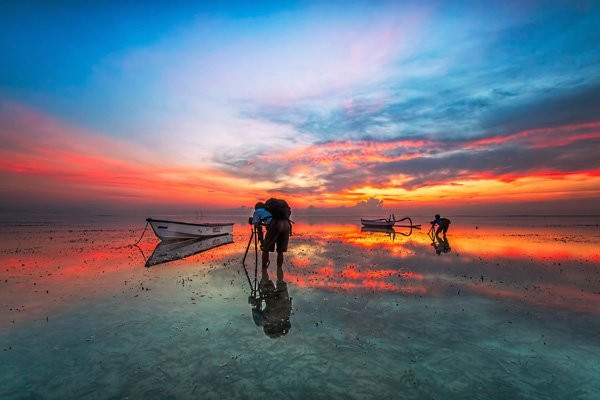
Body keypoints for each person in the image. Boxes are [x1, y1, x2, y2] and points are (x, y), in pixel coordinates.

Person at [261, 198, 291, 284]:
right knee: (280, 251)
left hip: (276, 224)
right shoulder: (282, 208)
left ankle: (263, 269)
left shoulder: (266, 208)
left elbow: (262, 222)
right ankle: (279, 270)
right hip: (286, 225)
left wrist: (261, 240)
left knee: (265, 249)